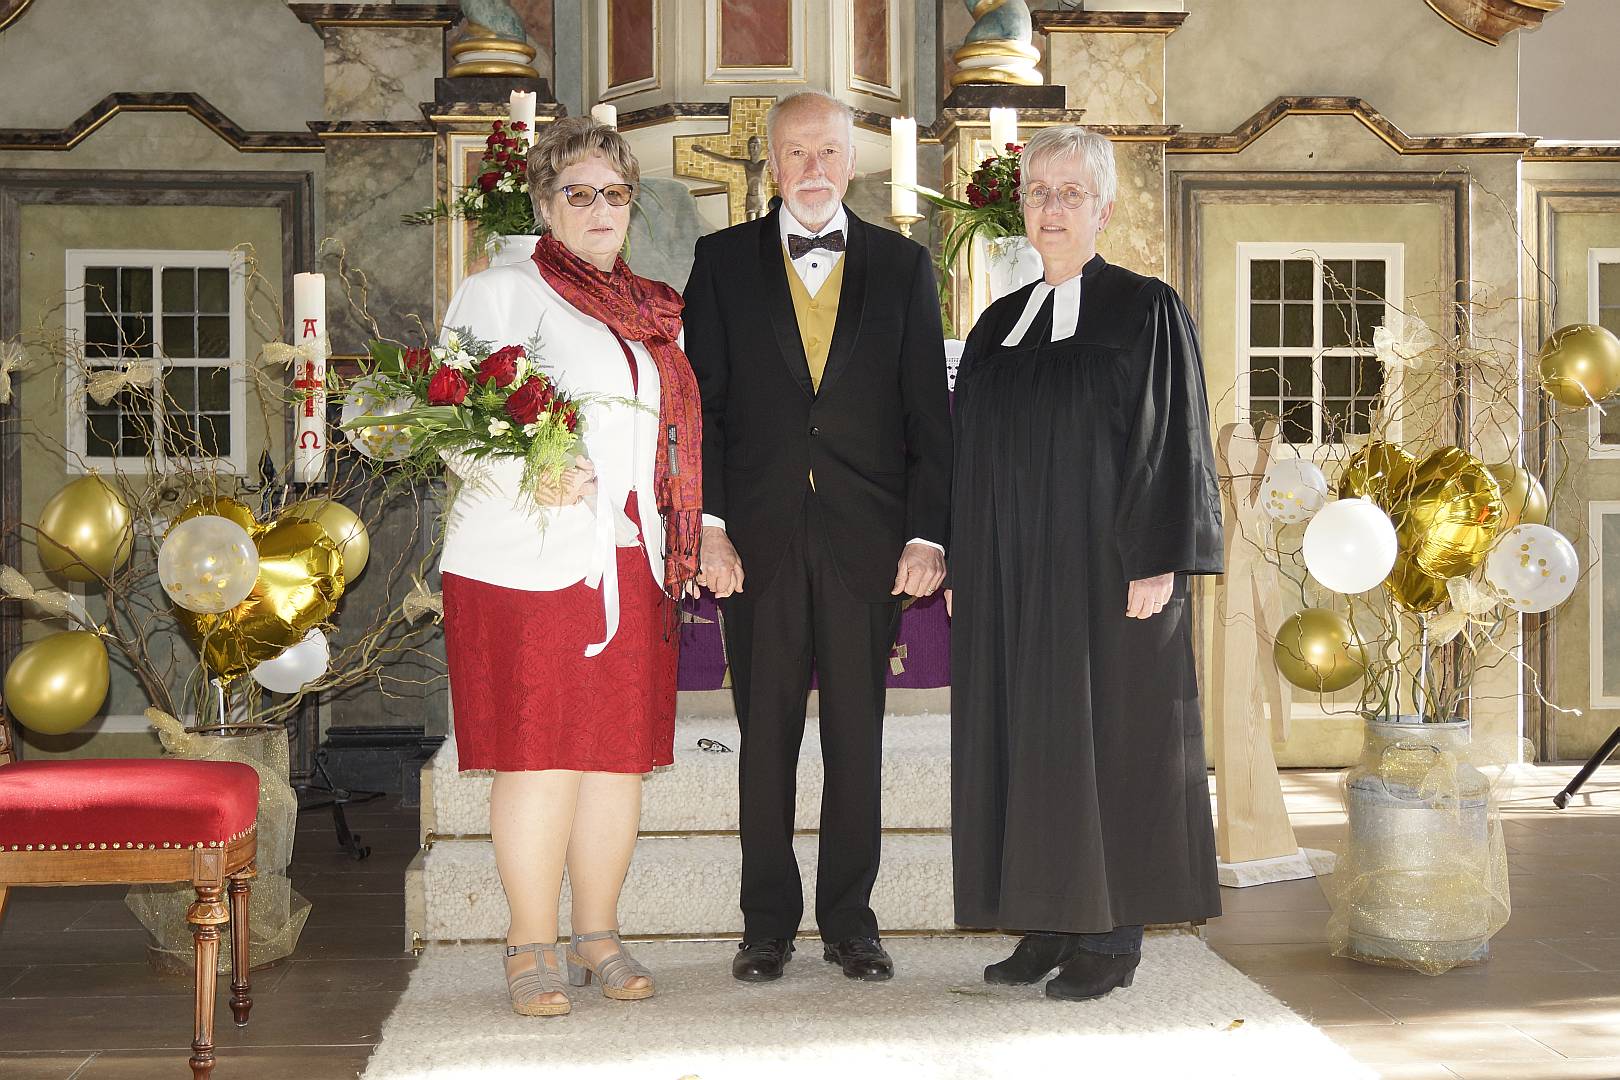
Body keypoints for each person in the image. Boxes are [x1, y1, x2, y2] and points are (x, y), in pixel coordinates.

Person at [946, 125, 1224, 1001]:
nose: (1053, 207)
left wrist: (1158, 560)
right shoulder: (997, 324)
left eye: (1072, 193)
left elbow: (1171, 441)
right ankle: (1049, 918)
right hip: (1014, 575)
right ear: (1020, 206)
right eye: (1039, 192)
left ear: (1104, 207)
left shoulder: (1144, 307)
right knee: (1031, 739)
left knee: (1111, 739)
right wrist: (966, 564)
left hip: (1109, 568)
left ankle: (1111, 935)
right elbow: (972, 455)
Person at [683, 91, 952, 984]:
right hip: (752, 542)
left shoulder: (905, 267)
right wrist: (710, 530)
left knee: (855, 736)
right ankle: (766, 923)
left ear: (852, 161)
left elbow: (929, 416)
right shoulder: (718, 263)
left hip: (865, 541)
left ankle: (850, 920)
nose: (812, 168)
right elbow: (701, 411)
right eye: (795, 152)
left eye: (828, 151)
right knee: (764, 741)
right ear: (772, 163)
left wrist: (927, 534)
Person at [437, 116, 703, 1017]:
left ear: (633, 205)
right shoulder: (500, 291)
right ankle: (528, 941)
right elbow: (445, 418)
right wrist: (532, 468)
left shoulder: (651, 308)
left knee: (615, 762)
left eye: (615, 194)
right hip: (526, 561)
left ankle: (598, 932)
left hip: (632, 558)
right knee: (540, 757)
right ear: (545, 203)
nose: (600, 209)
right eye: (579, 193)